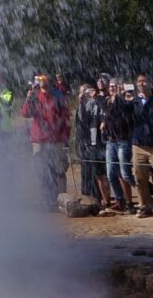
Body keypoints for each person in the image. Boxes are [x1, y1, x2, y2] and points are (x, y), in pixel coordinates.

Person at [20, 71, 71, 207]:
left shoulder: (58, 96)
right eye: (40, 80)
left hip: (56, 140)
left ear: (50, 81)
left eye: (45, 80)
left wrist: (66, 139)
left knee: (59, 170)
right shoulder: (35, 96)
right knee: (42, 171)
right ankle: (46, 199)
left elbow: (66, 118)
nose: (42, 82)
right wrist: (29, 98)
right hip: (39, 140)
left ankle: (62, 200)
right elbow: (25, 113)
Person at [103, 78, 138, 214]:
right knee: (111, 173)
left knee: (125, 173)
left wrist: (121, 95)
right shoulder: (107, 101)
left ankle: (133, 201)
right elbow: (106, 115)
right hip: (110, 141)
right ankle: (120, 200)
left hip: (122, 140)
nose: (112, 88)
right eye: (111, 86)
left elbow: (126, 110)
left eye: (115, 86)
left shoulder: (124, 100)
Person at [72, 81, 104, 209]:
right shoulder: (81, 105)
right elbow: (80, 121)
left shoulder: (94, 103)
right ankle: (85, 196)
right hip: (82, 141)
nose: (84, 94)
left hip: (94, 141)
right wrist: (81, 102)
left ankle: (96, 197)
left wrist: (94, 98)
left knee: (95, 171)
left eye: (86, 91)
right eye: (82, 92)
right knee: (85, 170)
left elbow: (92, 117)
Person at [132, 74, 153, 219]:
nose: (142, 84)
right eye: (139, 81)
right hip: (138, 144)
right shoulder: (133, 101)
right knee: (139, 176)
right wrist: (120, 98)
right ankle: (145, 205)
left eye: (144, 81)